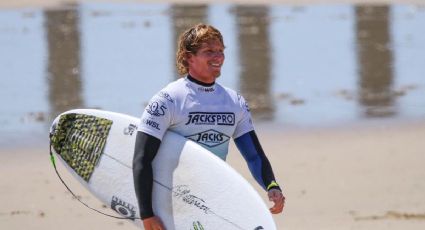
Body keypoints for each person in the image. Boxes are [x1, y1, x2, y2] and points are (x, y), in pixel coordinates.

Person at [133, 23, 285, 230]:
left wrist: (271, 185)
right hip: (173, 200)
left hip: (214, 197)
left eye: (221, 51)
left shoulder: (234, 102)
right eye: (209, 51)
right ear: (188, 57)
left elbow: (254, 156)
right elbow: (142, 159)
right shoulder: (168, 100)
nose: (218, 57)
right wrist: (147, 214)